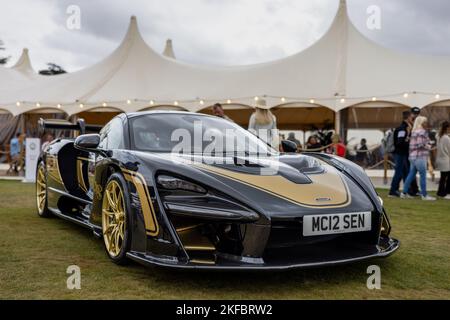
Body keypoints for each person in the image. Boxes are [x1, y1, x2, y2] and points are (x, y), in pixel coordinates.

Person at [401, 116, 435, 200]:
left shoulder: (414, 131)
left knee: (411, 175)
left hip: (412, 156)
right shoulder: (422, 132)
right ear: (421, 122)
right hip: (420, 156)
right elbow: (421, 144)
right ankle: (424, 195)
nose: (426, 123)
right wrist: (429, 145)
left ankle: (404, 193)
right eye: (425, 122)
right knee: (423, 175)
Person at [389, 111, 419, 197]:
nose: (412, 119)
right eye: (411, 117)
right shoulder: (402, 128)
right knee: (399, 172)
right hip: (400, 154)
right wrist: (410, 143)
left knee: (405, 172)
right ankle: (393, 191)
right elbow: (400, 142)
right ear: (408, 117)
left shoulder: (407, 127)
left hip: (404, 154)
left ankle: (408, 191)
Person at [435, 121, 450, 199]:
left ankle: (440, 192)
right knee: (446, 178)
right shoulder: (447, 138)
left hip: (440, 159)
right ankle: (446, 193)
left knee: (443, 178)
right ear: (447, 128)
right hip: (446, 160)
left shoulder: (438, 136)